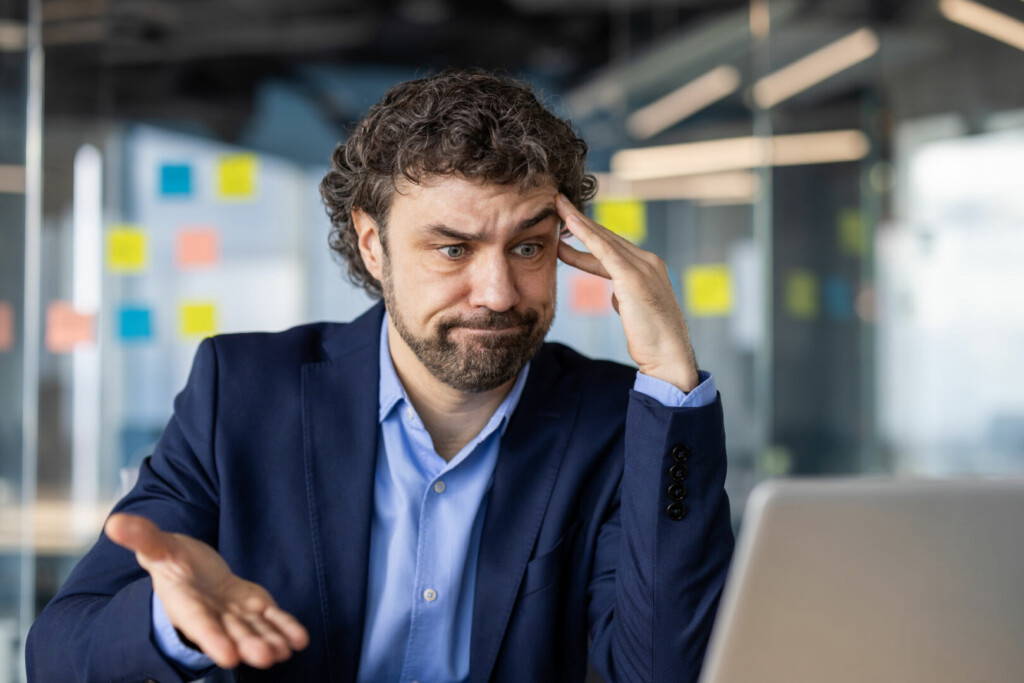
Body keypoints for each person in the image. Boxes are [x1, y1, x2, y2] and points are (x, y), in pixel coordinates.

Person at [26, 68, 734, 683]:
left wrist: (671, 373)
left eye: (528, 245)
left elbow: (665, 669)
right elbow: (59, 654)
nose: (498, 291)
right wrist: (169, 623)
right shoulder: (243, 391)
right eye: (453, 249)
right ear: (373, 244)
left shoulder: (615, 420)